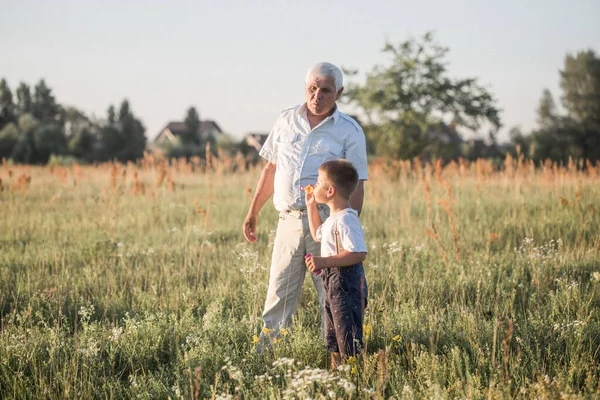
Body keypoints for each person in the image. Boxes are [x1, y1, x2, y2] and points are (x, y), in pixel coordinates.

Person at [242, 62, 368, 343]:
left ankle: (340, 358)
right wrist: (253, 212)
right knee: (278, 293)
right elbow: (271, 169)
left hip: (327, 221)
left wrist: (346, 224)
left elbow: (358, 183)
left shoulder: (350, 131)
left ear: (339, 93)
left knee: (333, 294)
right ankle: (269, 357)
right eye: (312, 89)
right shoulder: (286, 120)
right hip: (288, 219)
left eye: (325, 90)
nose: (317, 96)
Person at [304, 160, 368, 368]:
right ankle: (337, 372)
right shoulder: (333, 218)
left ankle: (354, 374)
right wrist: (311, 205)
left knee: (347, 332)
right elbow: (316, 235)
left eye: (319, 181)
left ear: (330, 190)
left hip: (346, 281)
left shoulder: (347, 219)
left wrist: (324, 261)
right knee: (333, 331)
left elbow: (358, 253)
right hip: (332, 280)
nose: (315, 184)